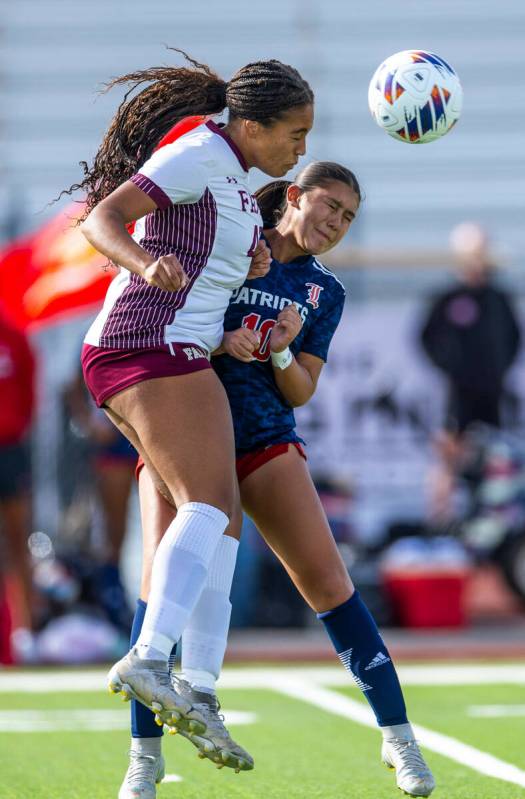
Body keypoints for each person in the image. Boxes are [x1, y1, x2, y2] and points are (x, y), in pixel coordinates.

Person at [124, 162, 435, 799]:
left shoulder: (326, 290)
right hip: (181, 430)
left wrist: (283, 349)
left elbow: (302, 387)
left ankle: (399, 740)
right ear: (294, 195)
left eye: (349, 217)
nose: (336, 223)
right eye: (330, 205)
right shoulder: (233, 243)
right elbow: (169, 329)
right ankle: (144, 762)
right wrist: (222, 339)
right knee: (159, 591)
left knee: (329, 584)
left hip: (263, 439)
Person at [74, 48, 314, 740]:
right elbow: (102, 221)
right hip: (139, 345)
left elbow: (207, 253)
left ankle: (199, 687)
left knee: (222, 512)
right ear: (252, 125)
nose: (302, 147)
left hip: (180, 351)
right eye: (294, 134)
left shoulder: (233, 176)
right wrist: (146, 261)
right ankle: (150, 657)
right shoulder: (197, 155)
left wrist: (252, 260)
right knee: (208, 501)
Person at [420, 222, 521, 521]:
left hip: (493, 391)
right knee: (450, 455)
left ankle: (494, 521)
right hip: (459, 393)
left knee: (498, 458)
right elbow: (426, 337)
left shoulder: (499, 297)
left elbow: (514, 338)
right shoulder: (448, 298)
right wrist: (450, 367)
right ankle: (441, 522)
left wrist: (499, 369)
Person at [64, 367, 136, 632]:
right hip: (115, 437)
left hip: (146, 426)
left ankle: (158, 610)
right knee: (114, 530)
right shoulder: (96, 329)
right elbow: (73, 385)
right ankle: (115, 604)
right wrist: (88, 421)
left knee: (166, 523)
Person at [0, 310, 36, 662]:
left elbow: (28, 391)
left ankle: (24, 631)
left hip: (9, 449)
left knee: (17, 539)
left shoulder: (13, 335)